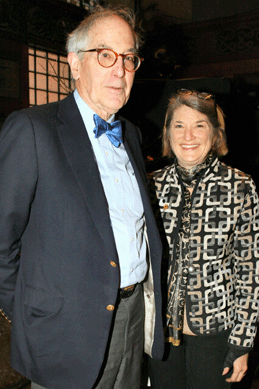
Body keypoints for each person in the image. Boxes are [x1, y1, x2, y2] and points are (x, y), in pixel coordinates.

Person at [0, 5, 164, 389]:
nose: (120, 70)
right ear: (74, 62)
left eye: (129, 59)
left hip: (132, 316)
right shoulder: (31, 130)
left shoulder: (133, 135)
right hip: (65, 330)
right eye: (105, 55)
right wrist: (29, 313)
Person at [148, 89, 259, 389]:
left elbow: (250, 271)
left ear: (215, 133)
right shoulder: (151, 185)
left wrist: (242, 343)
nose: (188, 135)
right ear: (167, 133)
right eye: (179, 125)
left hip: (215, 332)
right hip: (160, 334)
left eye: (199, 124)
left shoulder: (241, 186)